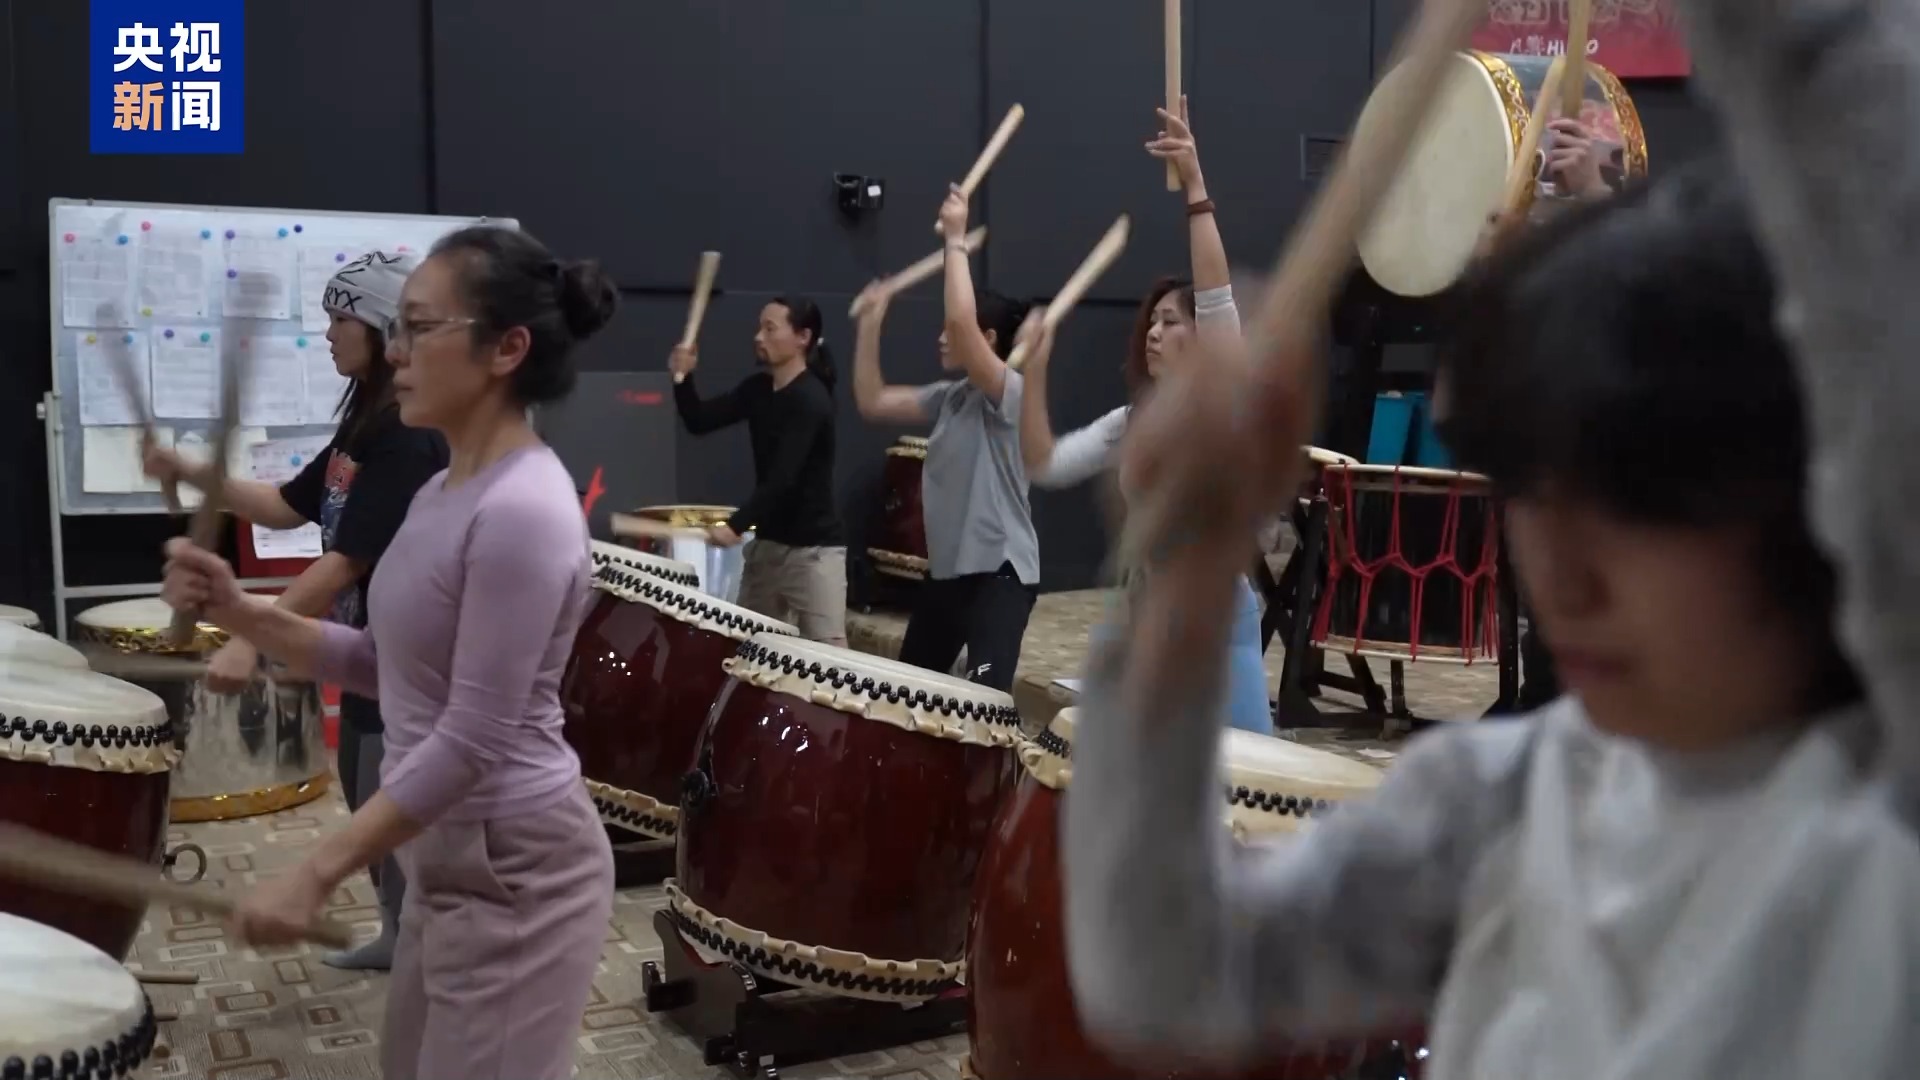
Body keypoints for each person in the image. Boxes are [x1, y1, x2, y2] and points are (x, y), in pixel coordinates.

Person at [1062, 146, 1920, 1077]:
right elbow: (1167, 981)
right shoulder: (1500, 799)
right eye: (1531, 492)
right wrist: (1188, 580)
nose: (1561, 580)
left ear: (1809, 495)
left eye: (1636, 505)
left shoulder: (1880, 841)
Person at [159, 225, 620, 1079]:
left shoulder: (525, 510)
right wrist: (239, 611)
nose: (396, 350)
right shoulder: (444, 488)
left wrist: (316, 871)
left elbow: (474, 738)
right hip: (445, 861)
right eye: (396, 326)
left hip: (517, 870)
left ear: (507, 349)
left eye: (420, 327)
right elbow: (385, 662)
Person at [142, 249, 448, 971]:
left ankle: (429, 946)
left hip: (412, 654)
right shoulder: (364, 422)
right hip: (366, 645)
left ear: (383, 326)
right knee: (364, 793)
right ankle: (398, 935)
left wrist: (251, 637)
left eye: (341, 319)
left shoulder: (408, 434)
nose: (329, 334)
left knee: (395, 807)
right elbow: (284, 506)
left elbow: (346, 561)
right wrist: (193, 472)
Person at [1017, 98, 1272, 735]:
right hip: (1148, 623)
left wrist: (1195, 185)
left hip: (1215, 624)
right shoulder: (1132, 422)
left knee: (1237, 781)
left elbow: (1216, 294)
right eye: (1151, 323)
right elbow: (1046, 463)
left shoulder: (1219, 403)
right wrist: (1035, 369)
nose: (1154, 332)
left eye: (1170, 321)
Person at [850, 187, 1040, 692]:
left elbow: (959, 321)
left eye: (952, 332)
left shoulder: (1008, 392)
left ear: (987, 341)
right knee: (911, 695)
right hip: (948, 576)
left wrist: (955, 239)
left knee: (984, 703)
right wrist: (871, 325)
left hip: (1000, 576)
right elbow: (872, 400)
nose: (941, 336)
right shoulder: (951, 397)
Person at [671, 296, 846, 645]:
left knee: (832, 657)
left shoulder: (811, 399)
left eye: (770, 329)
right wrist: (682, 377)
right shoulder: (758, 390)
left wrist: (735, 526)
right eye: (759, 328)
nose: (758, 337)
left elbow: (783, 478)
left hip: (813, 553)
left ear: (803, 337)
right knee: (746, 647)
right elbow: (698, 420)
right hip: (768, 547)